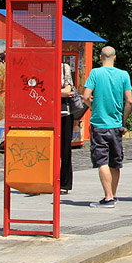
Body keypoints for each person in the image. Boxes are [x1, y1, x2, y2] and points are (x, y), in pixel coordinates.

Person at [82, 46, 132, 208]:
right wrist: (123, 122)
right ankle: (114, 194)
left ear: (100, 57)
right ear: (115, 57)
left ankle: (108, 197)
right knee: (115, 162)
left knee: (102, 160)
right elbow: (129, 102)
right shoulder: (123, 75)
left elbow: (85, 96)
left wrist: (93, 107)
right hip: (116, 124)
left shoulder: (95, 73)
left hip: (99, 124)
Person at [59, 62, 75, 195]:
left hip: (64, 113)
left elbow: (67, 91)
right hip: (44, 112)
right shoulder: (38, 67)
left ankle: (64, 183)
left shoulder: (64, 67)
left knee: (65, 150)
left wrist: (50, 91)